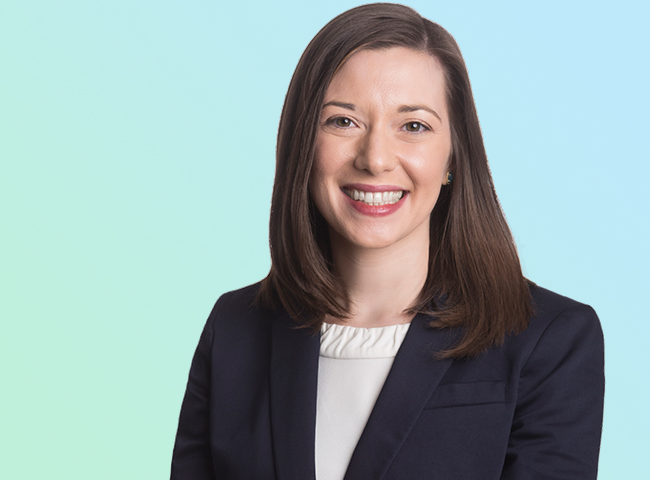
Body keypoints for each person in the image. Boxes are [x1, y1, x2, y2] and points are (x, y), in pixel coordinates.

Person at [170, 3, 604, 479]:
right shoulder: (235, 330)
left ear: (453, 157)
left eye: (413, 126)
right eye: (343, 121)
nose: (375, 159)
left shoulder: (550, 339)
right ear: (302, 144)